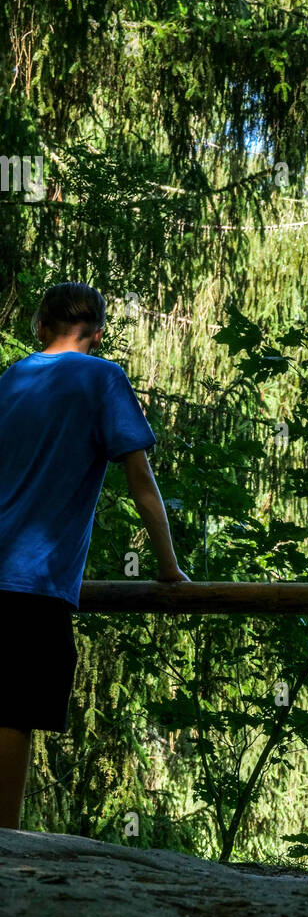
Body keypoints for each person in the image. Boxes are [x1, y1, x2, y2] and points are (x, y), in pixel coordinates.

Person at [0, 282, 190, 829]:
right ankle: (8, 848)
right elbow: (142, 482)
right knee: (13, 713)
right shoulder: (103, 378)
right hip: (32, 578)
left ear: (40, 327)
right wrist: (169, 566)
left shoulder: (13, 378)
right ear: (99, 333)